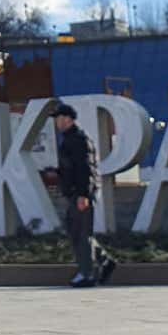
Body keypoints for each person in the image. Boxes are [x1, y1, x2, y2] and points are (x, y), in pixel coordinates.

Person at [52, 102, 116, 288]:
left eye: (59, 118)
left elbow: (86, 169)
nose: (57, 122)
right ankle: (104, 261)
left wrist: (84, 194)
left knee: (82, 234)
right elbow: (71, 169)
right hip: (74, 193)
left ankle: (86, 274)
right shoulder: (69, 139)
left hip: (81, 194)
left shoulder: (79, 140)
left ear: (68, 119)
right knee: (75, 232)